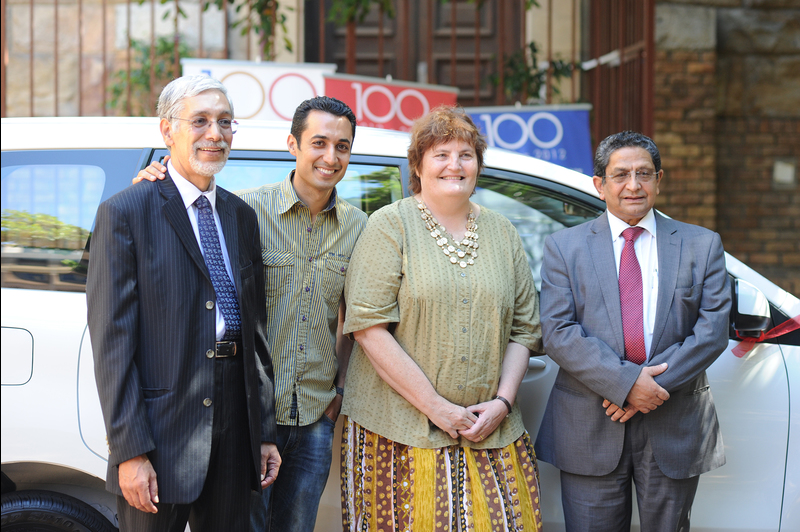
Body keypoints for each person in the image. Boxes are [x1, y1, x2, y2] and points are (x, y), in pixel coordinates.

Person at [135, 96, 367, 532]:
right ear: (292, 145)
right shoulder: (241, 212)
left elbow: (358, 319)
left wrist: (338, 390)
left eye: (343, 146)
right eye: (319, 142)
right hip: (246, 415)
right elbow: (176, 225)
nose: (330, 157)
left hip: (315, 418)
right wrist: (152, 184)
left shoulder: (360, 228)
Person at [87, 75, 280, 532]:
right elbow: (112, 346)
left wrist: (264, 433)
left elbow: (255, 336)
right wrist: (131, 452)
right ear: (167, 130)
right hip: (160, 432)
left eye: (225, 122)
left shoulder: (241, 216)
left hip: (237, 426)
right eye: (200, 121)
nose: (215, 133)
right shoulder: (126, 212)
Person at [340, 106, 544, 531]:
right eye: (441, 154)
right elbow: (368, 328)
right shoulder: (389, 226)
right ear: (417, 165)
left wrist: (503, 404)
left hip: (492, 433)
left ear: (478, 165)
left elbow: (525, 329)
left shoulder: (502, 231)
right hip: (398, 435)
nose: (455, 165)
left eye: (466, 155)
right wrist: (438, 409)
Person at [534, 131, 731, 531]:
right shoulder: (564, 247)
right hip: (588, 426)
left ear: (660, 179)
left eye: (644, 173)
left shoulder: (701, 245)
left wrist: (646, 390)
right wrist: (625, 384)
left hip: (673, 422)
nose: (634, 185)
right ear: (599, 185)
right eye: (621, 174)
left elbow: (712, 331)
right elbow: (557, 331)